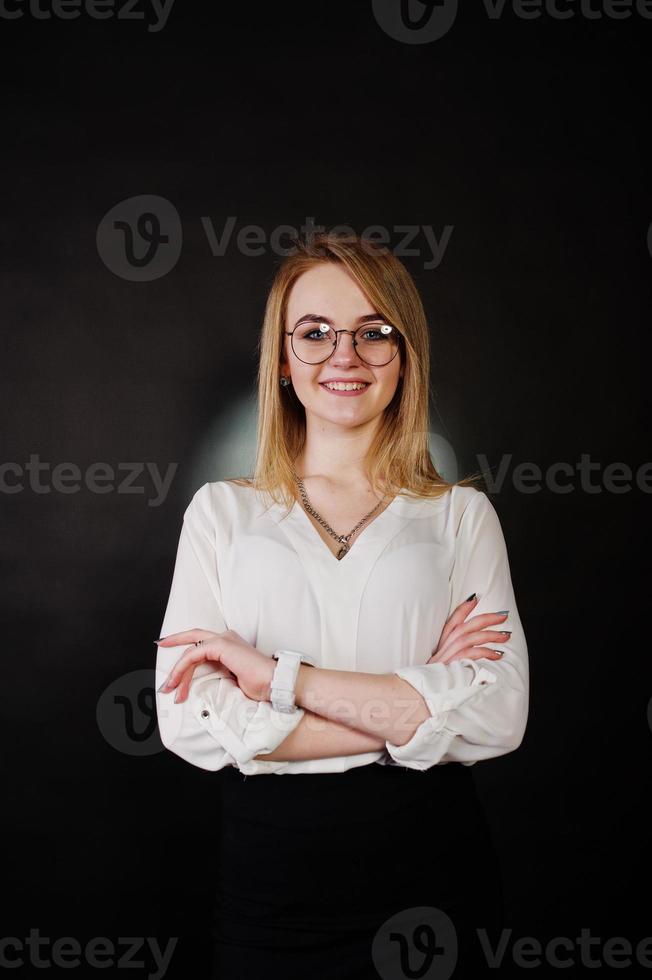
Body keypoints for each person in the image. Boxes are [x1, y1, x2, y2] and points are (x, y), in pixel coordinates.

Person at [154, 233, 529, 979]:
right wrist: (418, 701)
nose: (344, 355)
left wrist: (277, 683)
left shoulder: (460, 516)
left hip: (435, 888)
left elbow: (499, 718)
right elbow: (189, 724)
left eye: (373, 332)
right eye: (315, 333)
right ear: (284, 360)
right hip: (271, 891)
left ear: (406, 354)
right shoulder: (221, 514)